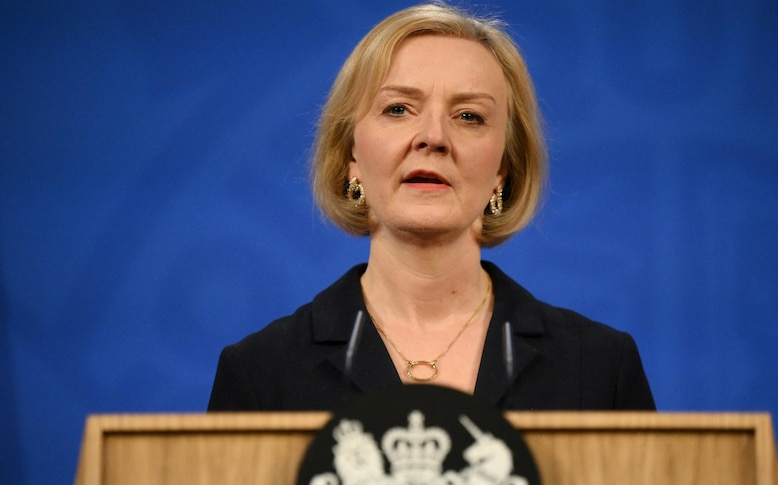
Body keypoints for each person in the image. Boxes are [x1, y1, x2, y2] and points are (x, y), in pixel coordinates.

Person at [208, 3, 655, 411]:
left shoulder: (600, 369)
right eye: (399, 108)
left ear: (504, 168)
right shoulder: (259, 374)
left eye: (469, 116)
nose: (433, 137)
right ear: (351, 158)